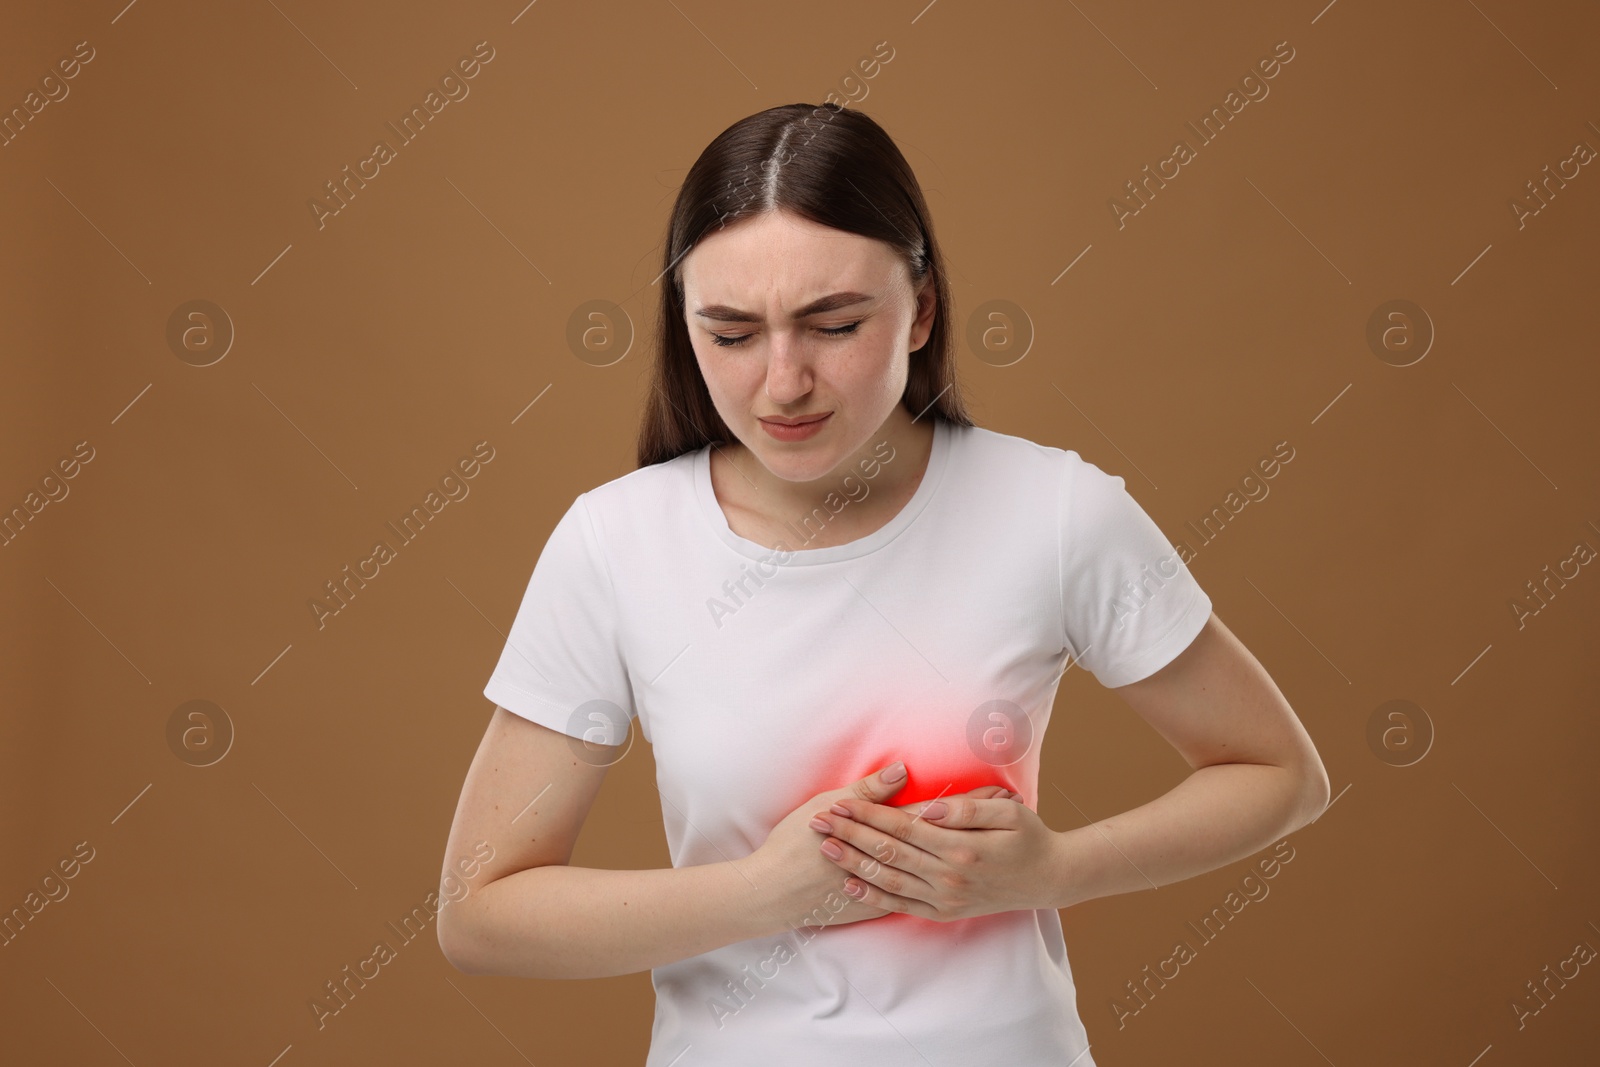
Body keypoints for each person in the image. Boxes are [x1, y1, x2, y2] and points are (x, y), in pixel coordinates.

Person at [437, 101, 1330, 1065]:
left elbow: (1281, 774)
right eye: (732, 334)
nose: (784, 383)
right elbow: (480, 912)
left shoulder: (1056, 510)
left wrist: (1058, 867)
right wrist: (762, 892)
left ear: (923, 310)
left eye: (833, 324)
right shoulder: (615, 542)